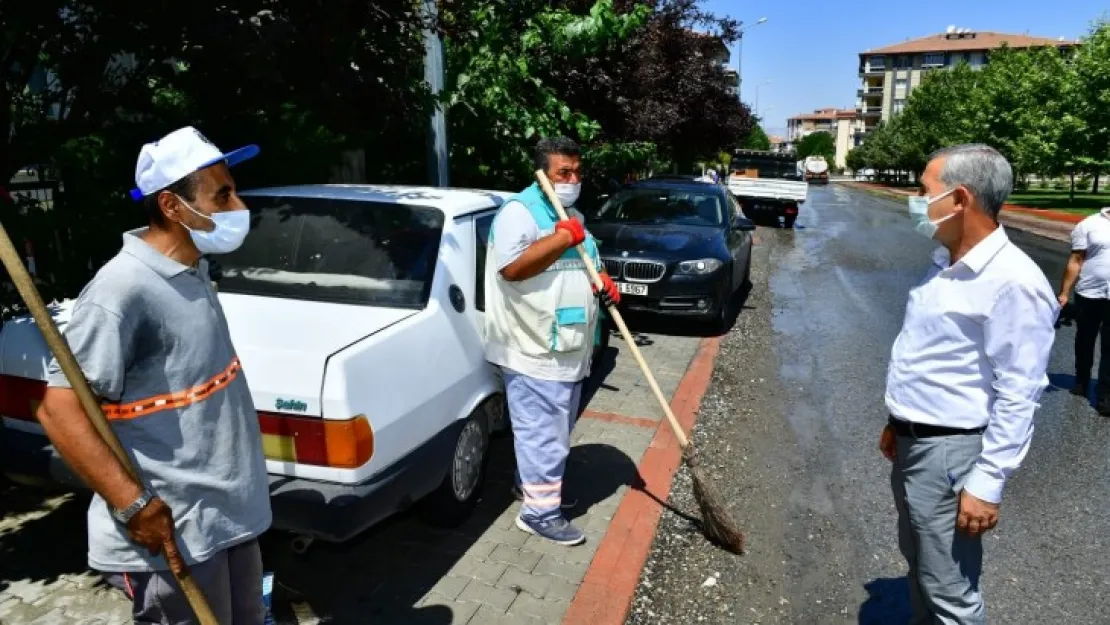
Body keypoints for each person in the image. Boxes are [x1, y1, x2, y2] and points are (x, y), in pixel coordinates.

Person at [35, 126, 272, 623]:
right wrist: (133, 504)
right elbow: (59, 410)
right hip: (177, 535)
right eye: (222, 194)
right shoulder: (122, 291)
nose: (237, 204)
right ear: (172, 206)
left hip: (223, 520)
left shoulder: (191, 269)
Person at [880, 144, 1056, 624]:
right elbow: (933, 356)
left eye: (923, 191)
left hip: (951, 458)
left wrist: (988, 481)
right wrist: (898, 421)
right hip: (917, 442)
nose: (916, 199)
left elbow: (1021, 392)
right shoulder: (945, 260)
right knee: (920, 567)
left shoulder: (1013, 281)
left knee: (950, 594)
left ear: (959, 199)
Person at [484, 136, 620, 546]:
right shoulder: (520, 213)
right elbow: (511, 268)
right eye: (564, 172)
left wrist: (603, 282)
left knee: (548, 430)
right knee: (545, 435)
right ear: (542, 174)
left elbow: (586, 261)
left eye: (577, 172)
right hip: (532, 346)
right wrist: (562, 238)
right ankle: (539, 513)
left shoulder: (569, 211)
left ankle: (529, 488)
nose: (573, 179)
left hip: (566, 345)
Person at [1057, 206, 1110, 412]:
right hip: (1089, 292)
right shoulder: (1088, 225)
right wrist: (1064, 293)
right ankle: (1082, 379)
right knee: (1085, 339)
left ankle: (1105, 393)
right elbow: (1076, 260)